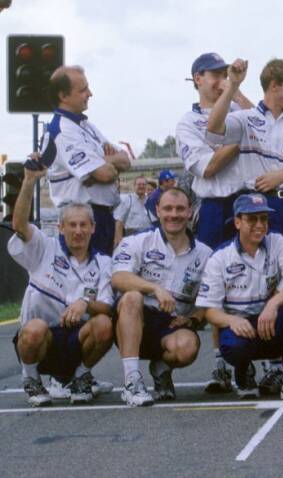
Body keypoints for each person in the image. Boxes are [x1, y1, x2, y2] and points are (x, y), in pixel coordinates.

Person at [7, 161, 114, 406]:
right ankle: (32, 380)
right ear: (61, 227)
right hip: (40, 341)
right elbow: (19, 225)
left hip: (76, 341)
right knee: (34, 329)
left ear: (93, 228)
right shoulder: (45, 247)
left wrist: (84, 303)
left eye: (83, 225)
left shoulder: (104, 262)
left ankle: (80, 376)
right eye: (72, 225)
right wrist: (29, 180)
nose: (78, 231)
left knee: (104, 324)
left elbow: (107, 307)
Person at [175, 51, 251, 394]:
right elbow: (207, 167)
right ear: (197, 79)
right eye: (213, 74)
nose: (220, 78)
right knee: (215, 284)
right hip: (213, 206)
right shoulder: (187, 123)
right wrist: (237, 140)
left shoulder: (237, 109)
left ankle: (253, 362)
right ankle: (221, 363)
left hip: (243, 201)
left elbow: (259, 118)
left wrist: (234, 88)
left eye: (225, 72)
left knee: (251, 279)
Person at [195, 193, 283, 401]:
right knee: (234, 346)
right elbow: (209, 310)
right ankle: (244, 370)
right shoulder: (220, 257)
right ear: (237, 222)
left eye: (264, 219)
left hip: (271, 321)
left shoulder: (278, 241)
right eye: (252, 219)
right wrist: (232, 320)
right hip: (242, 326)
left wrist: (273, 304)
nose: (259, 225)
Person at [206, 58, 283, 253]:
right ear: (274, 86)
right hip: (256, 207)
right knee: (262, 268)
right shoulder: (247, 118)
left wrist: (282, 176)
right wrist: (232, 86)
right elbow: (213, 128)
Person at [111, 188, 212, 406]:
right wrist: (154, 289)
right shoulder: (138, 241)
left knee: (187, 347)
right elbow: (118, 277)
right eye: (167, 208)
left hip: (172, 324)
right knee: (131, 298)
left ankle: (161, 368)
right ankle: (132, 381)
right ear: (157, 211)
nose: (173, 214)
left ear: (189, 212)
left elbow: (210, 299)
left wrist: (193, 319)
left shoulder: (205, 254)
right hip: (136, 319)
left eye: (179, 209)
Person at [39, 65, 131, 255]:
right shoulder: (62, 130)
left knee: (103, 279)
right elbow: (105, 174)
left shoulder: (86, 126)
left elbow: (126, 160)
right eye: (83, 90)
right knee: (81, 280)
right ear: (63, 96)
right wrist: (105, 162)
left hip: (103, 216)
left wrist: (103, 160)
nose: (90, 93)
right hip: (79, 218)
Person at [114, 175, 152, 246]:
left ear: (146, 186)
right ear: (134, 186)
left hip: (148, 237)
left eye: (143, 184)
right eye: (139, 184)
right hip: (131, 236)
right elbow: (119, 220)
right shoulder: (128, 199)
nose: (141, 186)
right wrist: (119, 240)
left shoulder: (150, 200)